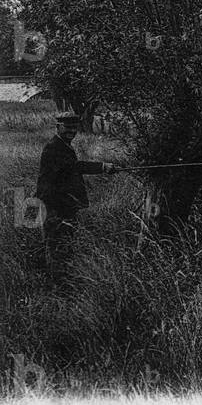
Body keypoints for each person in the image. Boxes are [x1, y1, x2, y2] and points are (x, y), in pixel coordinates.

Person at [35, 112, 117, 282]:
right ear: (58, 127)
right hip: (54, 207)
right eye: (67, 127)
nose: (71, 131)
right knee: (58, 246)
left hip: (61, 205)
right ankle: (59, 287)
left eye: (74, 128)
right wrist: (102, 167)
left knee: (63, 245)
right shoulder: (54, 147)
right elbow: (74, 167)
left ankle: (61, 282)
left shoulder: (63, 145)